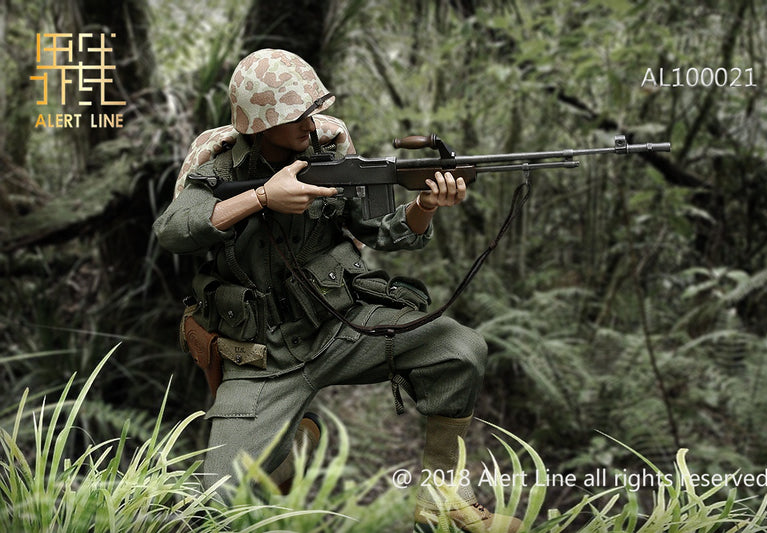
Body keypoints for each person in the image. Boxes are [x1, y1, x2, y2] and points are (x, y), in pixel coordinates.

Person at [153, 48, 521, 533]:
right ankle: (285, 455)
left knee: (458, 348)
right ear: (262, 123)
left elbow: (384, 231)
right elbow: (172, 230)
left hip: (340, 329)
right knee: (214, 509)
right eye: (296, 116)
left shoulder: (328, 158)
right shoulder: (219, 171)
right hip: (262, 359)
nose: (310, 124)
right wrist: (262, 197)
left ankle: (443, 499)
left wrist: (425, 207)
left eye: (311, 113)